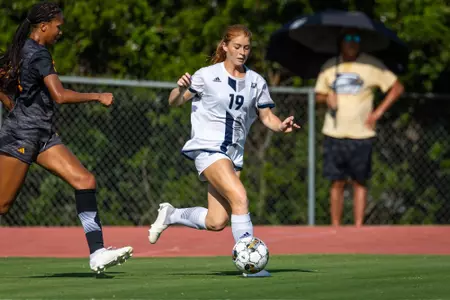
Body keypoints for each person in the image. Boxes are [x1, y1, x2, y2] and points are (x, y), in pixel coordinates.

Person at [148, 24, 299, 277]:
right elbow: (174, 102)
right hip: (208, 148)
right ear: (225, 47)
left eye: (247, 48)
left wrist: (280, 125)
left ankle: (172, 214)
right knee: (240, 197)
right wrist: (180, 89)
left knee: (216, 222)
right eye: (237, 47)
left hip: (233, 155)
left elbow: (267, 116)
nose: (242, 52)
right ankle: (251, 265)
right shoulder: (206, 75)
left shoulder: (256, 81)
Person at [0, 2, 132, 273]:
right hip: (21, 137)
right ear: (44, 26)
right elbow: (59, 95)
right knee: (2, 205)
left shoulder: (26, 49)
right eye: (58, 27)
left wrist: (12, 105)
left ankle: (96, 253)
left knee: (85, 181)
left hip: (43, 135)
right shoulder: (38, 54)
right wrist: (97, 96)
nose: (61, 31)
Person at [315, 29, 404, 227]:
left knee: (359, 181)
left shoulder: (371, 64)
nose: (352, 43)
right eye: (348, 39)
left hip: (362, 133)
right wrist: (327, 98)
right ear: (341, 42)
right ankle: (336, 228)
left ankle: (358, 228)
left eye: (356, 39)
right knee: (336, 182)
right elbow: (318, 94)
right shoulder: (330, 66)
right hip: (334, 132)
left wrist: (378, 113)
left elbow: (397, 88)